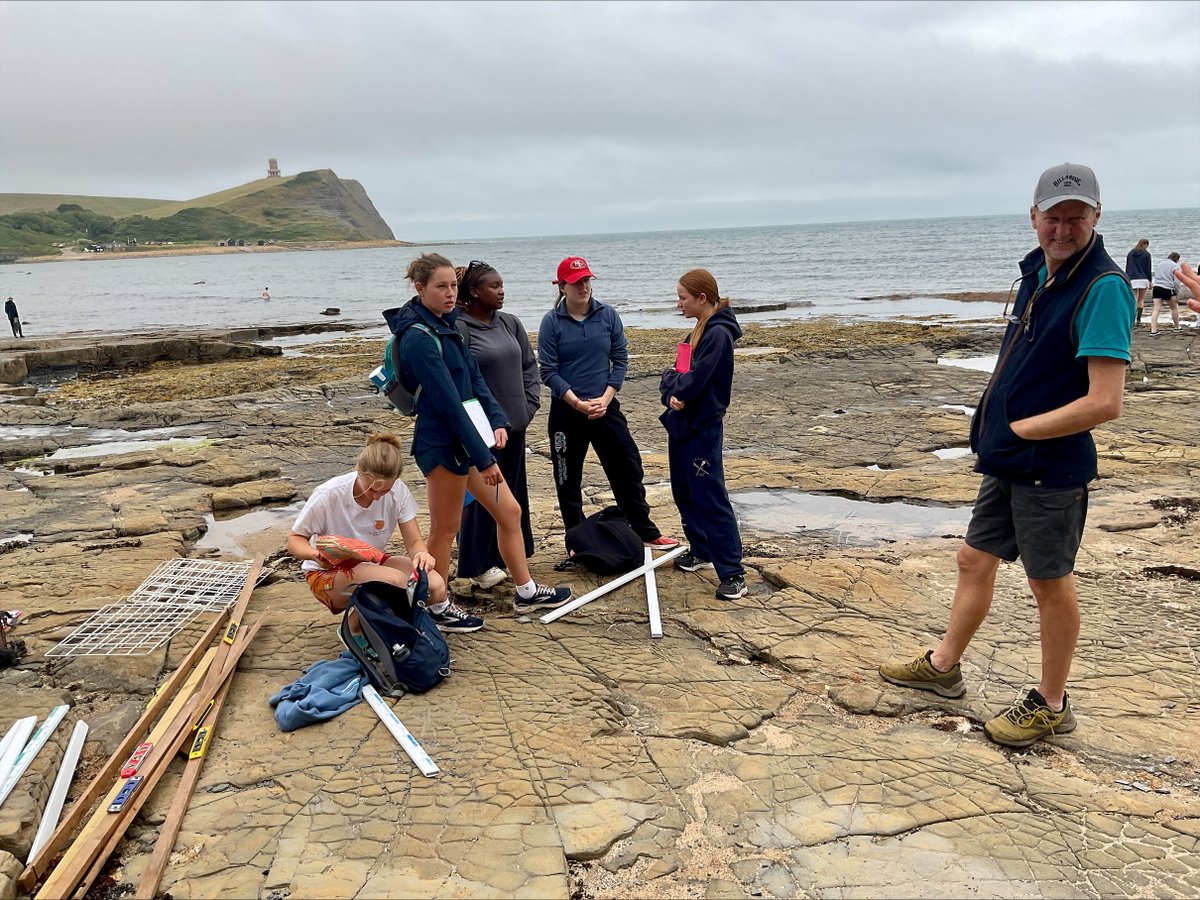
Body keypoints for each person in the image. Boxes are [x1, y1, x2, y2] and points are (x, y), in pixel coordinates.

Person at [878, 163, 1135, 749]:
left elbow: (1105, 402)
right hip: (1009, 461)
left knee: (1050, 583)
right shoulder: (1036, 275)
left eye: (1076, 218)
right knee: (974, 557)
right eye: (1053, 217)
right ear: (1034, 216)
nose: (1063, 230)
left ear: (1097, 217)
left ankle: (1051, 703)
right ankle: (944, 668)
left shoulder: (1102, 289)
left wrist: (1020, 429)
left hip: (1051, 468)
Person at [383, 253, 573, 614]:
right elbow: (449, 403)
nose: (450, 293)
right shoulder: (418, 338)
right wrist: (485, 459)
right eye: (441, 287)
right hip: (441, 445)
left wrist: (498, 420)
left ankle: (526, 591)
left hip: (467, 441)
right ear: (420, 288)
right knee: (445, 529)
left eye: (453, 286)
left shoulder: (450, 325)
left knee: (509, 511)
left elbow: (475, 381)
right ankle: (436, 606)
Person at [538, 256, 679, 551]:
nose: (584, 287)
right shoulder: (552, 322)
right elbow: (548, 370)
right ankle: (576, 538)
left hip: (605, 407)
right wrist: (576, 403)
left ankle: (644, 531)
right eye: (576, 283)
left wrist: (605, 398)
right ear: (562, 286)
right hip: (567, 411)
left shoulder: (608, 314)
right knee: (567, 477)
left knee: (627, 466)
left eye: (587, 280)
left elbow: (620, 359)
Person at [286, 432, 482, 633]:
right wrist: (315, 555)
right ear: (359, 472)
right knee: (395, 582)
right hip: (326, 573)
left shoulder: (399, 492)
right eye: (371, 489)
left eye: (384, 491)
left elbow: (414, 541)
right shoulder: (330, 494)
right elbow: (295, 539)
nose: (377, 497)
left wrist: (422, 554)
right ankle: (357, 628)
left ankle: (421, 617)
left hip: (370, 561)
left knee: (435, 585)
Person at [659, 269, 747, 600]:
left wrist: (678, 389)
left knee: (710, 497)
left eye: (682, 297)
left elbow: (695, 381)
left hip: (702, 427)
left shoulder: (719, 335)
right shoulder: (696, 331)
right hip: (680, 423)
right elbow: (673, 375)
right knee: (684, 491)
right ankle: (701, 549)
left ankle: (733, 572)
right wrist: (671, 394)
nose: (678, 303)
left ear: (701, 298)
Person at [453, 260, 541, 590]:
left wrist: (529, 405)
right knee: (481, 500)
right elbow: (463, 382)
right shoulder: (460, 329)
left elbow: (529, 366)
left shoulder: (510, 323)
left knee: (513, 495)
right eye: (493, 286)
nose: (501, 290)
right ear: (474, 292)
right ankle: (477, 564)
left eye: (502, 284)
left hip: (515, 425)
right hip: (482, 432)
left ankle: (510, 556)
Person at [1150, 252, 1183, 334]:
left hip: (1157, 287)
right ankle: (1176, 326)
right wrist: (1177, 292)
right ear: (1177, 259)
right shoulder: (1175, 266)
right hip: (1168, 288)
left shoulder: (1160, 264)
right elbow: (1176, 282)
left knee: (1156, 309)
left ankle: (1153, 330)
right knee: (1174, 308)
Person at [1124, 239, 1151, 324]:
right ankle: (1139, 319)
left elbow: (1128, 266)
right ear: (1145, 245)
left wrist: (1126, 277)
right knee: (1141, 299)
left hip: (1132, 278)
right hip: (1143, 278)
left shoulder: (1130, 253)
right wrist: (1150, 280)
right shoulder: (1146, 254)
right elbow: (1148, 268)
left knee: (1133, 299)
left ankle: (1132, 318)